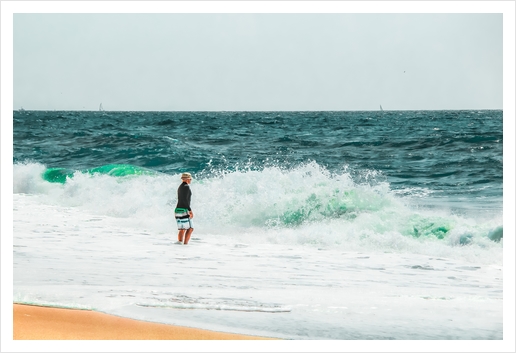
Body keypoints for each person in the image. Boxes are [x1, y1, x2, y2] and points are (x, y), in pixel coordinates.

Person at [175, 172, 194, 245]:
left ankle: (179, 243)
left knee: (182, 229)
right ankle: (185, 244)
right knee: (190, 228)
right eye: (190, 179)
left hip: (178, 209)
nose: (190, 180)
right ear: (187, 179)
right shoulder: (186, 187)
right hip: (184, 209)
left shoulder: (180, 187)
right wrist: (190, 210)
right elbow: (185, 200)